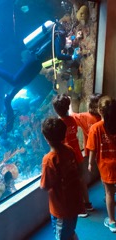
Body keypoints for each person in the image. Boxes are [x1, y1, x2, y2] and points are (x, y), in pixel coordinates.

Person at [0, 20, 80, 132]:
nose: (71, 39)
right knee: (14, 80)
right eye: (71, 37)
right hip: (34, 61)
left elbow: (57, 53)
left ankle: (8, 103)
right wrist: (73, 57)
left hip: (37, 65)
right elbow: (59, 56)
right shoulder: (59, 36)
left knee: (22, 84)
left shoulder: (58, 36)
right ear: (67, 32)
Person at [41, 116, 84, 240]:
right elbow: (78, 170)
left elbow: (45, 185)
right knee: (70, 231)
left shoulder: (49, 159)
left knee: (62, 236)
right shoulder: (70, 150)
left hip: (61, 208)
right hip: (74, 202)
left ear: (46, 138)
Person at [52, 93, 93, 217]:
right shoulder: (72, 119)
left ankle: (81, 209)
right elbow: (71, 112)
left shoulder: (59, 123)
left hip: (67, 157)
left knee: (73, 182)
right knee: (81, 179)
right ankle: (87, 204)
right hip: (77, 153)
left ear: (55, 110)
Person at [87, 96, 116, 233]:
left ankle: (112, 221)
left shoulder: (95, 128)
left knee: (109, 193)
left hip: (106, 166)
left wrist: (90, 163)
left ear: (99, 110)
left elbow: (92, 149)